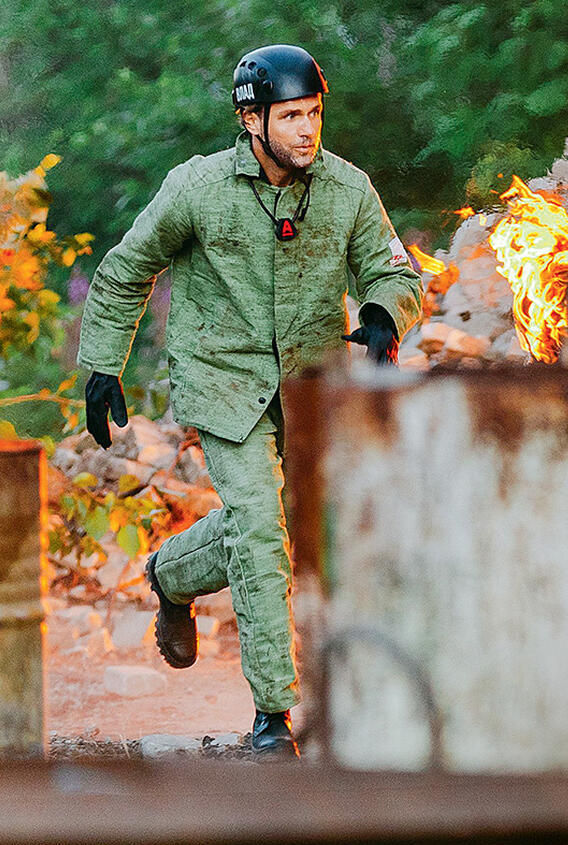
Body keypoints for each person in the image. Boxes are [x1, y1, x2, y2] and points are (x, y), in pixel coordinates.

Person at [77, 44, 422, 758]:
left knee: (275, 528)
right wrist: (102, 365)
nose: (307, 130)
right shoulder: (197, 187)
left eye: (315, 113)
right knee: (260, 531)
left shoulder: (347, 189)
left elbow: (391, 267)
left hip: (307, 384)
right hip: (222, 380)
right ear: (251, 119)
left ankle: (168, 576)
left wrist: (386, 313)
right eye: (290, 116)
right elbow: (126, 270)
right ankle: (274, 718)